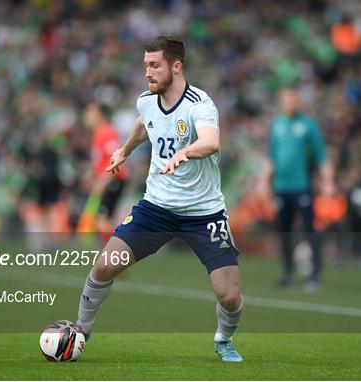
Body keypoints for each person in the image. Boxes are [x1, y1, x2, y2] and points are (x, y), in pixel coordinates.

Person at [75, 35, 244, 362]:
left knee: (229, 295)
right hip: (157, 208)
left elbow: (211, 142)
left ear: (176, 66)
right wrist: (124, 150)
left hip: (204, 214)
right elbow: (144, 125)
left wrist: (186, 152)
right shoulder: (146, 100)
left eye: (154, 66)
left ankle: (224, 339)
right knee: (105, 266)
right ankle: (81, 329)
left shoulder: (200, 104)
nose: (147, 73)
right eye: (145, 66)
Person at [258, 87, 334, 290]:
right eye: (286, 99)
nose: (289, 102)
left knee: (310, 229)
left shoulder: (308, 125)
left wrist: (327, 181)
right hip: (281, 187)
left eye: (292, 98)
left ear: (297, 100)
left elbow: (321, 156)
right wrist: (263, 182)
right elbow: (271, 157)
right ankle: (288, 274)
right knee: (284, 230)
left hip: (302, 186)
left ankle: (315, 275)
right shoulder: (276, 125)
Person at [79, 102, 129, 234]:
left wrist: (103, 181)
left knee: (102, 220)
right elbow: (101, 161)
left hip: (113, 180)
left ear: (100, 115)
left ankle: (117, 248)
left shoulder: (106, 132)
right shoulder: (98, 134)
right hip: (108, 181)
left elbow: (116, 159)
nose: (86, 116)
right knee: (101, 220)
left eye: (90, 112)